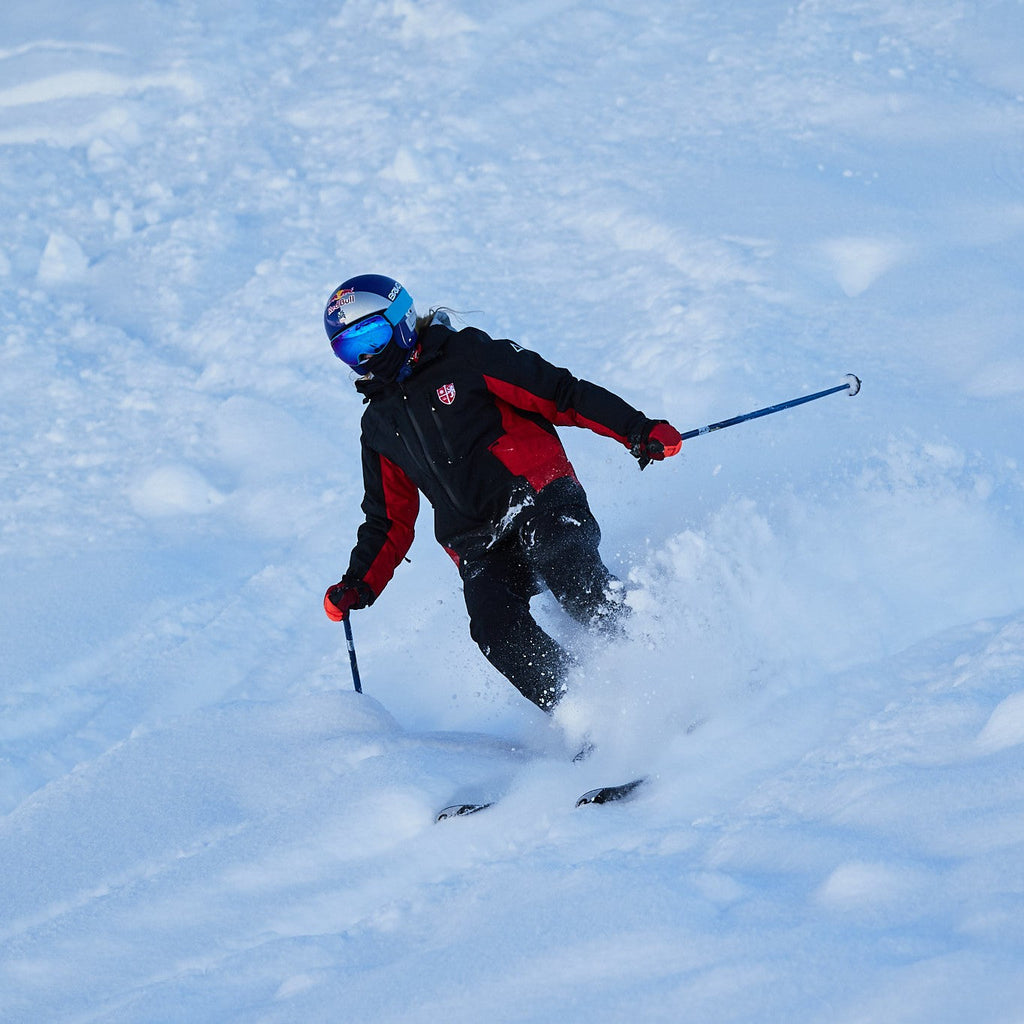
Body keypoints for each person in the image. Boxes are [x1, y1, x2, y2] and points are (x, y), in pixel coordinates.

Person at [322, 274, 682, 712]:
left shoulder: (467, 355)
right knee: (494, 629)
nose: (366, 358)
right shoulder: (378, 426)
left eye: (372, 338)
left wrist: (637, 430)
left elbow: (560, 394)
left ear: (400, 319)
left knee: (568, 569)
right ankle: (589, 713)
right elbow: (388, 520)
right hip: (477, 544)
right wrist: (358, 583)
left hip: (540, 500)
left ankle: (664, 666)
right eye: (350, 350)